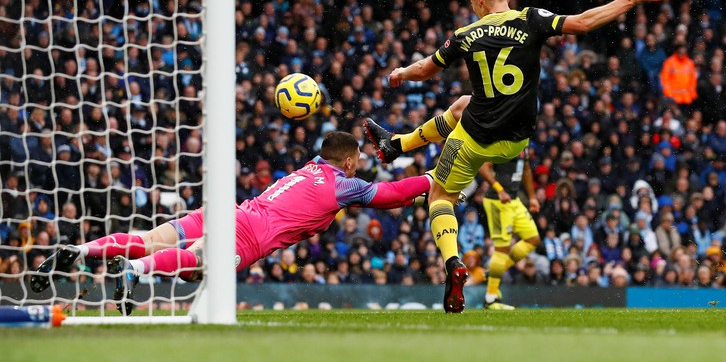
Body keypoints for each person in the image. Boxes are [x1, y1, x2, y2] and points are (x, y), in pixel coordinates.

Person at [367, 0, 661, 312]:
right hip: (517, 140)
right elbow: (583, 22)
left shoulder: (466, 33)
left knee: (440, 195)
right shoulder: (531, 19)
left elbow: (425, 69)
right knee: (463, 104)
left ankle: (452, 265)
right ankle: (396, 145)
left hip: (476, 139)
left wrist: (400, 72)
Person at [31, 132, 433, 315]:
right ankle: (135, 270)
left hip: (231, 209)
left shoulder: (307, 167)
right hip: (251, 233)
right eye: (357, 161)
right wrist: (433, 180)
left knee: (150, 238)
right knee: (199, 265)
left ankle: (82, 250)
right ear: (348, 162)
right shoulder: (344, 186)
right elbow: (392, 194)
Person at [480, 149, 541, 309]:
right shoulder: (504, 140)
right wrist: (499, 189)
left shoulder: (524, 142)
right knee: (502, 249)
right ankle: (491, 299)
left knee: (533, 239)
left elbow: (526, 169)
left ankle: (494, 271)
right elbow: (483, 167)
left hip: (514, 200)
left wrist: (533, 197)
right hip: (497, 201)